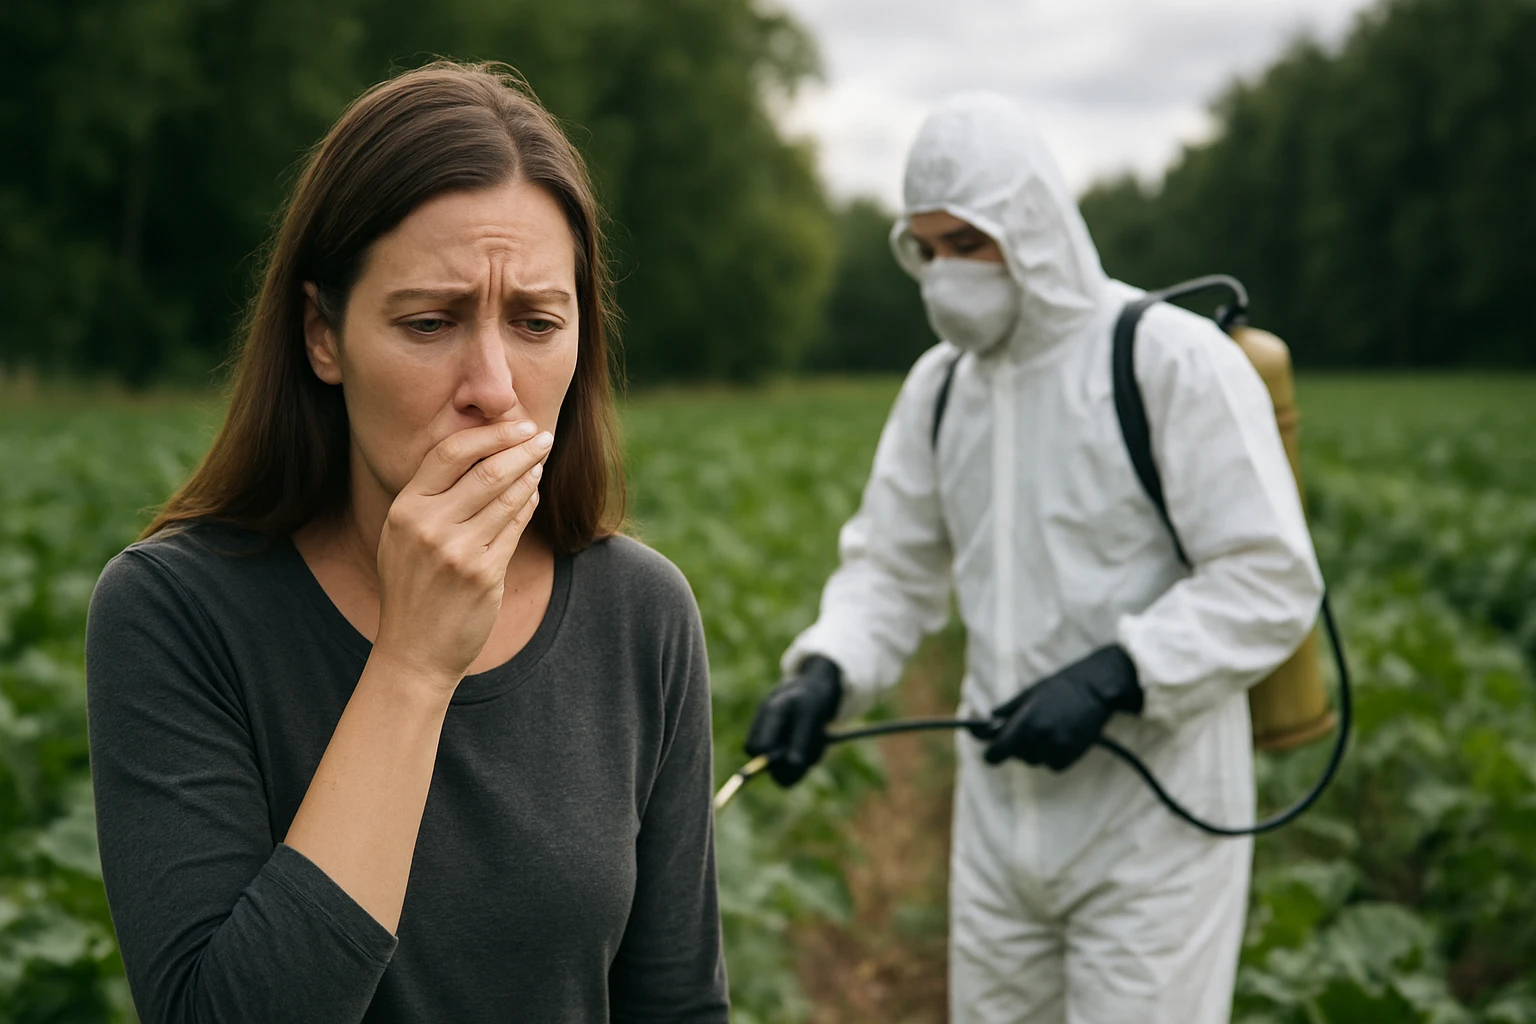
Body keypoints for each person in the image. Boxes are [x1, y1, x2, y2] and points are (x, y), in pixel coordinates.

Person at [85, 62, 728, 1024]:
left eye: (537, 323)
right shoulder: (175, 611)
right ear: (322, 335)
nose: (493, 387)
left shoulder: (641, 611)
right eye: (429, 322)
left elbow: (676, 1006)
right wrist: (413, 665)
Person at [745, 93, 1323, 1023]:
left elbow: (1269, 578)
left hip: (1154, 829)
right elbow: (891, 570)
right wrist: (827, 671)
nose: (945, 275)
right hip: (999, 832)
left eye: (967, 244)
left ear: (1034, 227)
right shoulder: (939, 391)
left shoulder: (1168, 362)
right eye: (926, 251)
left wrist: (1117, 676)